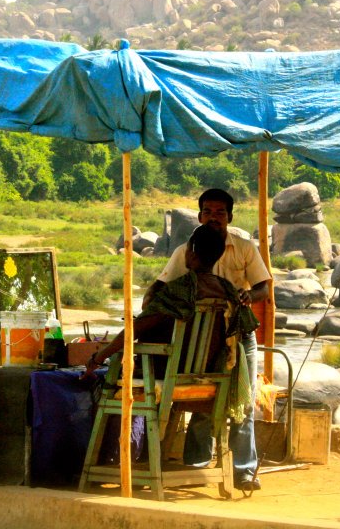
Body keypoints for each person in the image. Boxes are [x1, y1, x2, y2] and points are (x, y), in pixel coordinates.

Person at [82, 224, 256, 469]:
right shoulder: (229, 291)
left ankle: (110, 462)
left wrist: (99, 357)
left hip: (171, 378)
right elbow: (244, 331)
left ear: (191, 254)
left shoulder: (180, 289)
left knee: (107, 382)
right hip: (215, 382)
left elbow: (137, 327)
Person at [142, 188, 271, 492]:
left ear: (230, 217)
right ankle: (198, 462)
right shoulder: (186, 251)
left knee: (243, 399)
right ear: (200, 216)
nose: (214, 217)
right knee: (204, 396)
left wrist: (247, 295)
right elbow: (159, 288)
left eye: (220, 212)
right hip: (198, 340)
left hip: (237, 335)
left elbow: (264, 287)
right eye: (208, 212)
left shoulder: (243, 248)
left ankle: (243, 470)